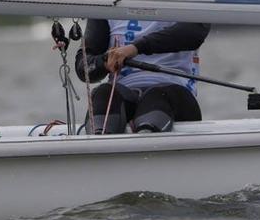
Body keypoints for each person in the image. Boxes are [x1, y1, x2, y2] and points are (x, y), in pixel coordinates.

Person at [75, 19, 210, 134]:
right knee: (103, 93)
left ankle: (147, 137)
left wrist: (135, 48)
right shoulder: (109, 3)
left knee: (157, 97)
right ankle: (99, 147)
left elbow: (195, 32)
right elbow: (84, 68)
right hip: (125, 92)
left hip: (174, 93)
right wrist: (105, 61)